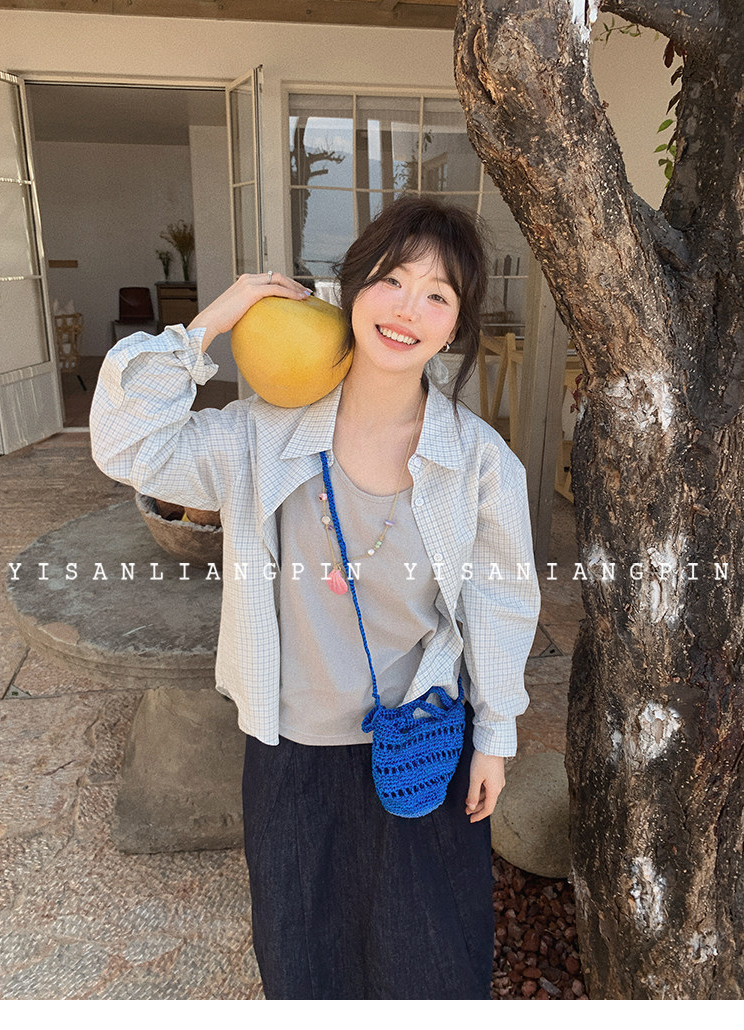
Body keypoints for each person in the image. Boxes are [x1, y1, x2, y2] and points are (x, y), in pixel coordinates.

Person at [90, 195, 540, 1000]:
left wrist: (496, 738)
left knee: (432, 968)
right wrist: (212, 322)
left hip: (425, 742)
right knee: (306, 965)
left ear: (455, 326)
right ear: (351, 289)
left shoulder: (479, 462)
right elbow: (130, 446)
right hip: (293, 756)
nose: (408, 309)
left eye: (437, 295)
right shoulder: (260, 435)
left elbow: (499, 605)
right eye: (392, 280)